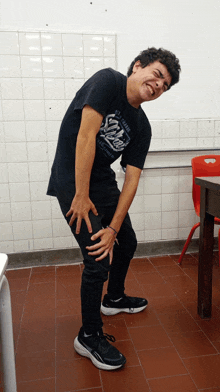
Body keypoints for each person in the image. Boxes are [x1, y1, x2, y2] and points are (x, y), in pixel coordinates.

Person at [47, 47, 181, 371]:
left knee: (126, 243)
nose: (158, 85)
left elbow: (132, 178)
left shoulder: (142, 126)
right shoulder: (108, 82)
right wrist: (80, 196)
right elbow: (86, 135)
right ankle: (88, 336)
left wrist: (114, 229)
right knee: (97, 259)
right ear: (138, 66)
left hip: (102, 181)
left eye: (165, 86)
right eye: (158, 75)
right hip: (71, 176)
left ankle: (114, 298)